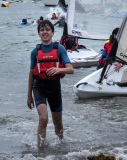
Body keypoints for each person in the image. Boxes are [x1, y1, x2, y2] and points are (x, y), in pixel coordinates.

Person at [27, 20, 74, 148]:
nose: (45, 32)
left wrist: (60, 69)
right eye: (42, 30)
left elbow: (71, 69)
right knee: (43, 119)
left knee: (58, 123)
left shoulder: (59, 48)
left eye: (47, 29)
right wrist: (29, 96)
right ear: (39, 34)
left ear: (53, 33)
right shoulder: (34, 52)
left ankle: (62, 147)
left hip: (54, 88)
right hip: (39, 87)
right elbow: (31, 74)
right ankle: (40, 151)